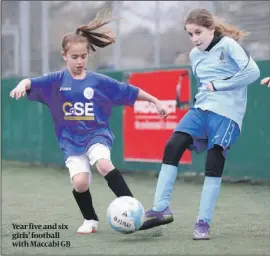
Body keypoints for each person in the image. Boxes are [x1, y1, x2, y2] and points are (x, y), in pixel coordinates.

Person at [10, 13, 168, 234]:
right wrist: (21, 85)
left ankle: (134, 210)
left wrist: (155, 100)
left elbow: (129, 91)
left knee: (103, 164)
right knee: (80, 183)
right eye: (74, 56)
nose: (79, 61)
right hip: (70, 141)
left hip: (97, 133)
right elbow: (30, 82)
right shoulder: (55, 81)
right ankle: (90, 220)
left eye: (83, 56)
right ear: (64, 56)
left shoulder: (99, 81)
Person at [139, 8, 260, 240]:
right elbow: (203, 85)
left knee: (214, 162)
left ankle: (203, 222)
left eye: (198, 32)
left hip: (227, 114)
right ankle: (161, 208)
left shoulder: (227, 45)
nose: (194, 39)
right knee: (173, 145)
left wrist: (220, 85)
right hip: (201, 110)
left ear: (211, 29)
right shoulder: (194, 55)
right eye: (190, 34)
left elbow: (252, 72)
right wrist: (206, 94)